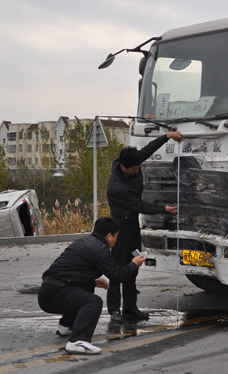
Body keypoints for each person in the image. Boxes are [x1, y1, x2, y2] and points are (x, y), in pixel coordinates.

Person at [38, 217, 146, 355]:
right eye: (116, 236)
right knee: (94, 302)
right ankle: (77, 341)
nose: (116, 240)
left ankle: (66, 325)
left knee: (87, 288)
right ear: (109, 236)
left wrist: (93, 281)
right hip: (55, 294)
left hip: (48, 291)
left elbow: (67, 272)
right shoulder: (100, 249)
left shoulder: (83, 242)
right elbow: (118, 276)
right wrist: (134, 264)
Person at [107, 131, 183, 323]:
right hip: (120, 230)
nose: (137, 171)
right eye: (134, 169)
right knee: (117, 269)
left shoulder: (132, 161)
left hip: (132, 226)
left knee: (134, 264)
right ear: (123, 167)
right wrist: (165, 209)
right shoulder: (117, 188)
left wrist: (167, 136)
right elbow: (140, 206)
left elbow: (148, 149)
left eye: (138, 167)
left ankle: (131, 309)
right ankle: (114, 310)